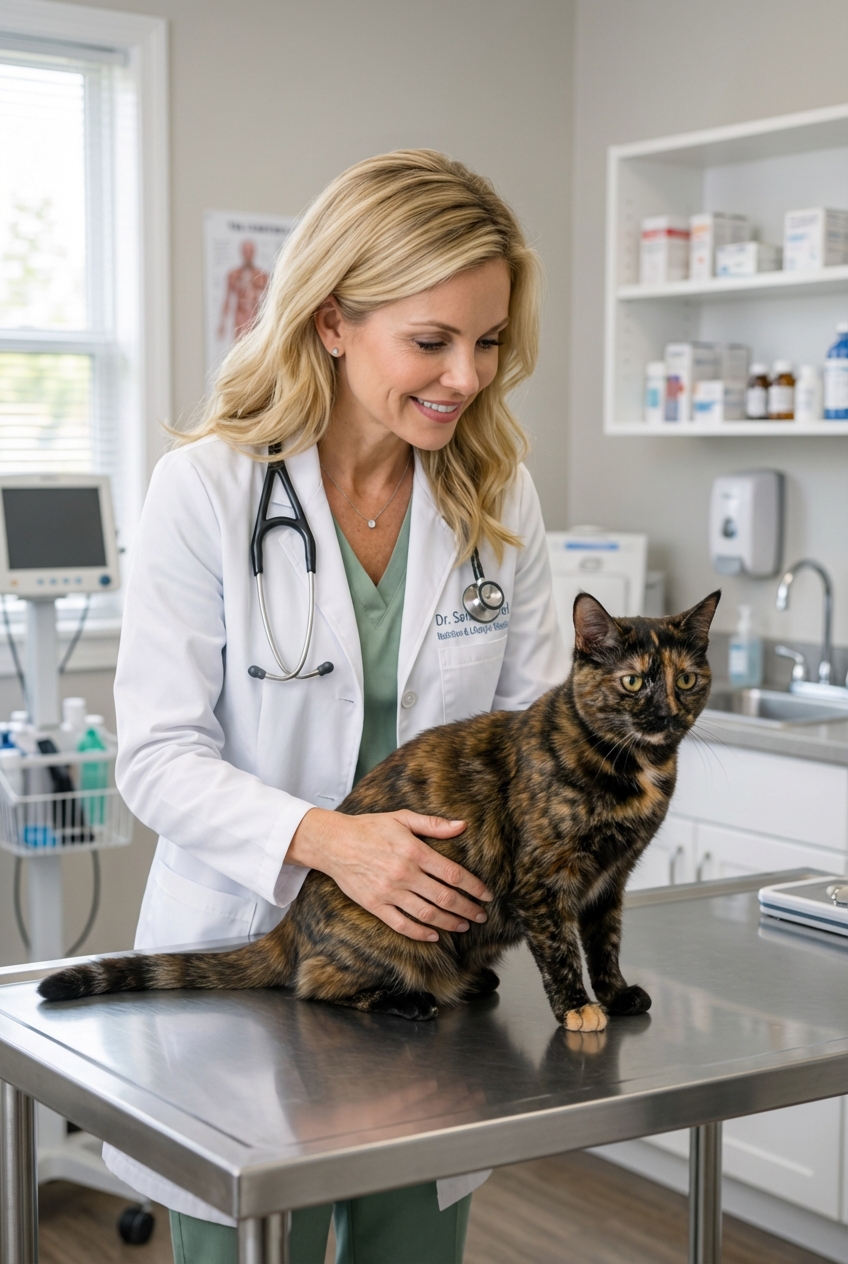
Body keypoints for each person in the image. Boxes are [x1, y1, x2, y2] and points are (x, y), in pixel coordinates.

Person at [104, 149, 568, 1264]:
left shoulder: (494, 493)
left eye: (489, 339)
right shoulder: (209, 489)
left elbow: (541, 733)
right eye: (431, 340)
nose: (467, 374)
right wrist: (332, 845)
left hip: (428, 975)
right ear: (329, 323)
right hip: (247, 969)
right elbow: (158, 756)